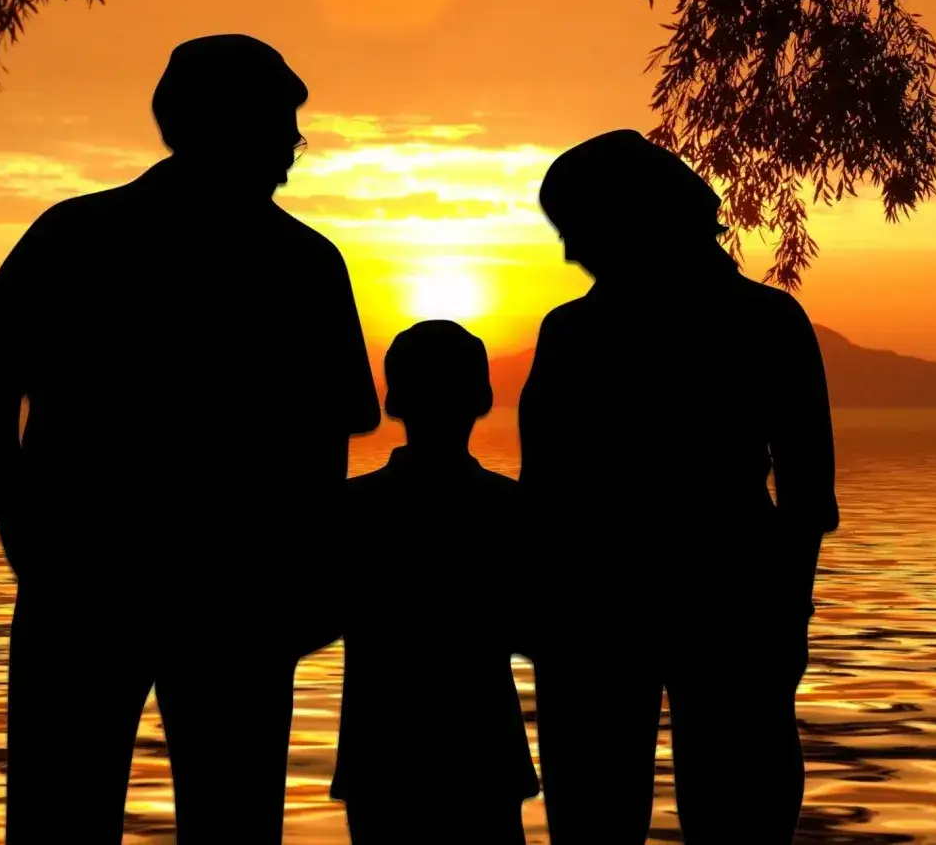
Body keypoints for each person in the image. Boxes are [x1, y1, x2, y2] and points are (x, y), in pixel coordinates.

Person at [0, 34, 381, 844]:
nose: (294, 145)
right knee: (219, 820)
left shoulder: (77, 234)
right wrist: (29, 548)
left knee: (67, 815)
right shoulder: (302, 263)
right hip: (201, 596)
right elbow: (330, 447)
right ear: (223, 124)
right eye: (281, 123)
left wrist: (30, 547)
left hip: (159, 591)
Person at [519, 129, 839, 845]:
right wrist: (788, 612)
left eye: (578, 231)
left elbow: (540, 493)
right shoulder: (767, 322)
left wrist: (787, 613)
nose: (571, 253)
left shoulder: (575, 335)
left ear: (631, 223)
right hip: (668, 607)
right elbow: (808, 497)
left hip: (656, 609)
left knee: (634, 815)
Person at [330, 320, 539, 845]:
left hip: (379, 754)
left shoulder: (351, 511)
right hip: (484, 752)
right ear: (484, 398)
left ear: (393, 400)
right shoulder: (510, 511)